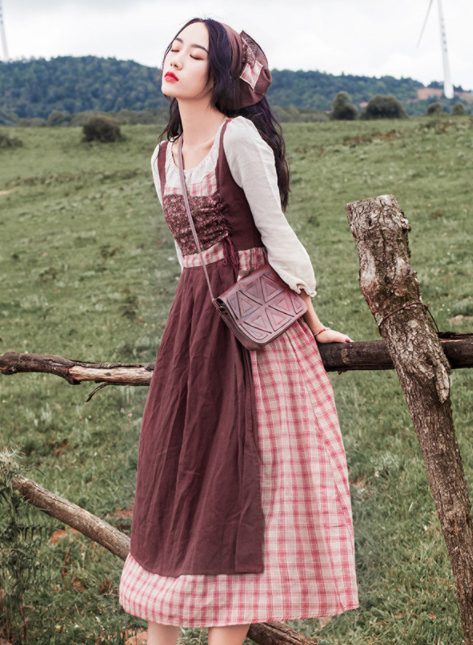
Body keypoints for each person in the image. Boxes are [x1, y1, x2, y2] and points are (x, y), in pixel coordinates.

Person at [119, 18, 358, 645]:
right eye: (174, 48)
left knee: (254, 479)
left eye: (196, 54)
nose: (176, 59)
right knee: (181, 471)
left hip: (255, 326)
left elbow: (276, 234)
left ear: (219, 73)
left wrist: (310, 316)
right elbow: (187, 256)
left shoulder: (240, 138)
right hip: (193, 325)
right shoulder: (162, 156)